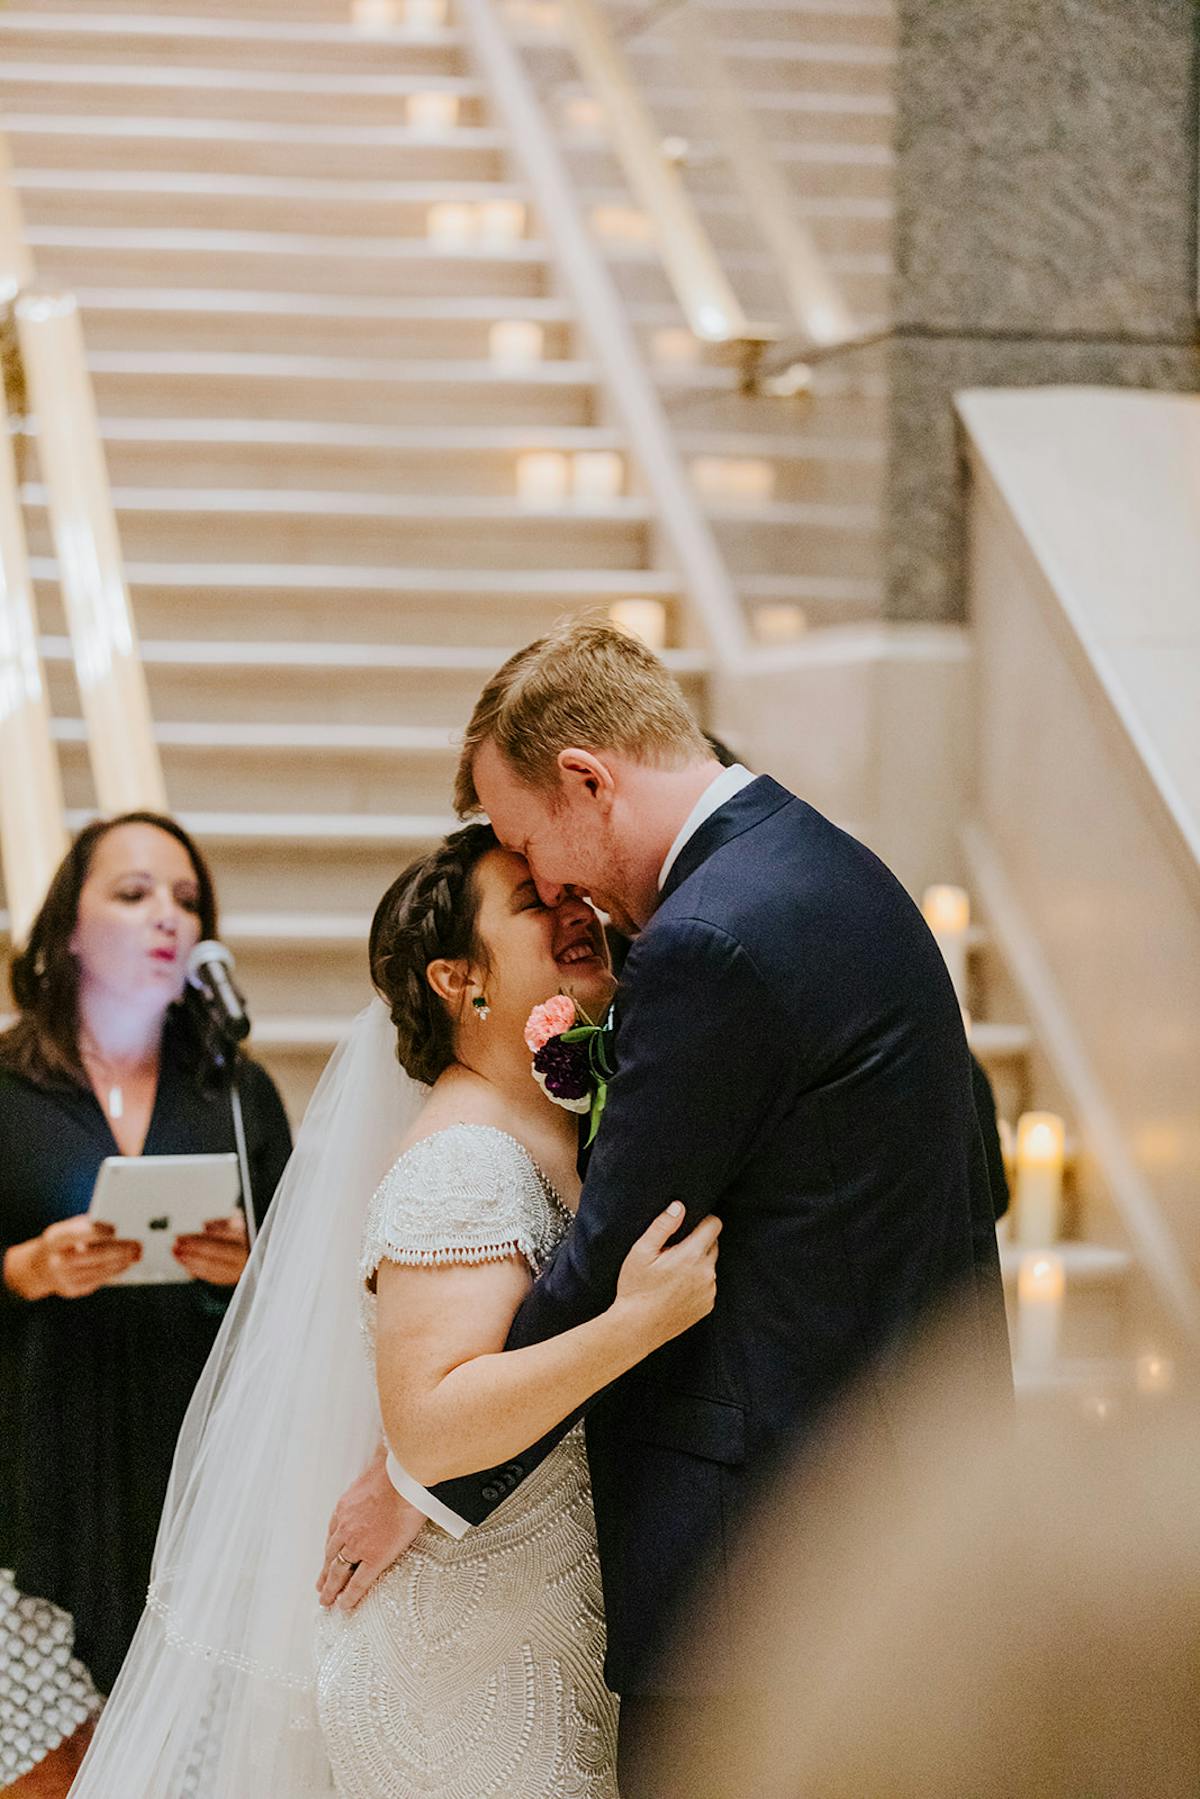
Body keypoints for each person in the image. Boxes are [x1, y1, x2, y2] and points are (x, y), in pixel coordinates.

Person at [385, 617, 1012, 1798]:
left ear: (587, 779)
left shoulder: (710, 940)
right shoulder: (826, 864)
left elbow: (618, 1257)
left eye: (532, 842)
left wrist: (423, 1470)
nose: (555, 886)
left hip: (757, 1570)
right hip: (879, 1501)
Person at [69, 824, 719, 1797]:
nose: (573, 911)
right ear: (461, 980)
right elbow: (434, 1420)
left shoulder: (556, 1127)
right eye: (534, 903)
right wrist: (637, 1322)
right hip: (467, 1671)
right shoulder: (461, 1161)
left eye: (571, 895)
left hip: (540, 1629)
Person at [0, 812, 291, 1796]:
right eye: (132, 892)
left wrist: (242, 1268)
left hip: (186, 1476)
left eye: (186, 897)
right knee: (40, 1766)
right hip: (29, 1473)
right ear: (69, 929)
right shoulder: (4, 1083)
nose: (167, 913)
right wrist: (25, 1269)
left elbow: (297, 1300)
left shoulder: (237, 1090)